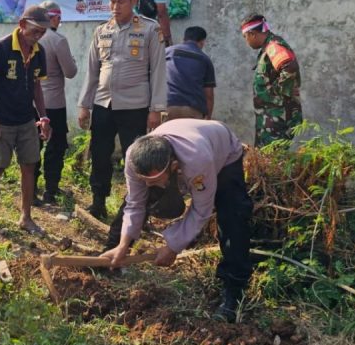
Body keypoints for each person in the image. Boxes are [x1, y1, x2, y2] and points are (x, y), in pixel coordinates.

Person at [101, 119, 254, 323]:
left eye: (153, 180)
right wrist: (123, 244)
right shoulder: (133, 157)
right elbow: (135, 203)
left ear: (174, 167)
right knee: (137, 197)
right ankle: (112, 257)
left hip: (222, 152)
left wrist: (173, 247)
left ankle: (233, 292)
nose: (148, 185)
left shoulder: (198, 161)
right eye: (144, 180)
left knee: (233, 215)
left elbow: (201, 210)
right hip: (180, 149)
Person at [78, 0, 166, 219]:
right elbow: (92, 71)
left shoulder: (150, 29)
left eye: (122, 2)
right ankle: (98, 201)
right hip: (104, 104)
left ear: (134, 1)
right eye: (112, 2)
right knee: (99, 154)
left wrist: (156, 109)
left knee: (137, 158)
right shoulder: (102, 31)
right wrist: (84, 105)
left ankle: (138, 209)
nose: (116, 7)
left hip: (135, 106)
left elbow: (158, 70)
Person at [0, 4, 52, 234]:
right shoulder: (3, 47)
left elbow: (37, 86)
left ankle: (26, 217)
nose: (38, 36)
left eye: (43, 32)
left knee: (29, 166)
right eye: (35, 31)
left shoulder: (39, 52)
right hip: (2, 122)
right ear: (22, 25)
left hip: (26, 121)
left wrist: (43, 117)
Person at [35, 0, 78, 205]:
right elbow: (70, 72)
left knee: (33, 146)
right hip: (53, 103)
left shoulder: (31, 38)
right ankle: (50, 190)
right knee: (56, 146)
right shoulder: (57, 40)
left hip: (33, 102)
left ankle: (31, 188)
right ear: (56, 18)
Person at [240, 14, 302, 146]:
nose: (246, 41)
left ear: (252, 34)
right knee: (267, 160)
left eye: (245, 37)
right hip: (270, 118)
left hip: (277, 117)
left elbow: (289, 66)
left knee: (272, 160)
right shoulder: (267, 48)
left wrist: (278, 93)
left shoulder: (273, 46)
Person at [166, 26, 215, 120]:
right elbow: (209, 95)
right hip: (193, 110)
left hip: (167, 106)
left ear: (183, 39)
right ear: (202, 42)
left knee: (162, 135)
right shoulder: (205, 59)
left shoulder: (167, 52)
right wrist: (208, 118)